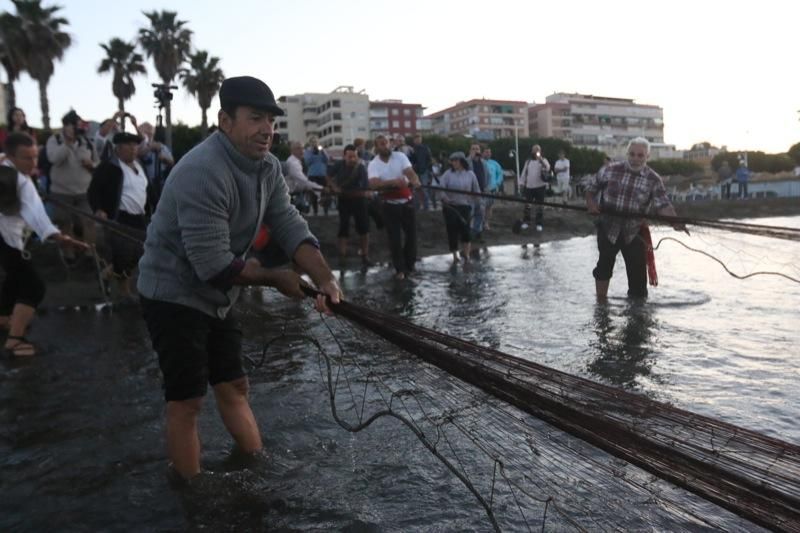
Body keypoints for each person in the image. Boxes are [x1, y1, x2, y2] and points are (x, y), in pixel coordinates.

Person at [137, 76, 341, 482]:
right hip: (173, 293)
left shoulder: (268, 167)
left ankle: (255, 466)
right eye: (255, 118)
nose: (267, 129)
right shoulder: (202, 170)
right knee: (187, 401)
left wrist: (326, 279)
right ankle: (191, 493)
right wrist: (278, 278)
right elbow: (213, 264)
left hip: (218, 295)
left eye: (271, 120)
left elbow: (289, 224)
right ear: (225, 121)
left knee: (234, 385)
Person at [0, 133, 88, 356]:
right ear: (11, 156)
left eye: (35, 157)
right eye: (26, 158)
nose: (32, 163)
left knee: (13, 280)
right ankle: (15, 341)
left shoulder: (7, 167)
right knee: (33, 287)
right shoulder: (21, 181)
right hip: (5, 241)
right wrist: (62, 238)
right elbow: (37, 216)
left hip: (8, 240)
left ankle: (4, 318)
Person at [584, 137, 685, 300]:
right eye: (632, 154)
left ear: (647, 157)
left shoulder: (653, 179)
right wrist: (591, 204)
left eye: (640, 155)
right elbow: (591, 188)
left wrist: (675, 222)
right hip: (608, 227)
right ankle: (601, 303)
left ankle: (638, 314)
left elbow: (663, 205)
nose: (635, 159)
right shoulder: (610, 169)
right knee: (604, 267)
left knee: (638, 275)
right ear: (627, 154)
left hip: (634, 231)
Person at [88, 132, 150, 299]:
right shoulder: (109, 167)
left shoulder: (139, 167)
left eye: (135, 145)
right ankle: (124, 292)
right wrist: (99, 209)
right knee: (124, 254)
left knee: (142, 252)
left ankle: (107, 273)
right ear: (118, 148)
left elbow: (146, 191)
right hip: (120, 216)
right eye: (128, 145)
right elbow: (93, 191)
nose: (133, 149)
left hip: (140, 217)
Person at [46, 110, 98, 260]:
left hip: (84, 191)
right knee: (65, 223)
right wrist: (67, 144)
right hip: (61, 192)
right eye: (72, 125)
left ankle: (90, 254)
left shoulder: (87, 141)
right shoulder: (55, 140)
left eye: (77, 125)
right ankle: (69, 255)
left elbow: (97, 162)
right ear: (65, 126)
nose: (75, 128)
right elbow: (54, 159)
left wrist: (92, 165)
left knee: (89, 221)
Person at [367, 134, 421, 280]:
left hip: (407, 202)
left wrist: (414, 180)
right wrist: (393, 183)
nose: (386, 146)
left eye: (387, 143)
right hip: (388, 205)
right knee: (394, 238)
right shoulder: (374, 164)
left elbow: (410, 172)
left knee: (411, 236)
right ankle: (399, 269)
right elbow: (374, 184)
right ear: (377, 147)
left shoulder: (400, 157)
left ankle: (410, 266)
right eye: (382, 144)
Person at [327, 144, 371, 266]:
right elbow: (328, 176)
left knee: (364, 228)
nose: (352, 159)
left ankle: (365, 256)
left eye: (354, 157)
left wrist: (366, 192)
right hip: (343, 200)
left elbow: (366, 185)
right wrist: (334, 187)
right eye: (350, 157)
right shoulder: (338, 165)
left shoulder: (361, 167)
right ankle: (342, 256)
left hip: (359, 200)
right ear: (344, 156)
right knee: (343, 228)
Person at [437, 152, 480, 265]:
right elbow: (441, 188)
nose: (454, 163)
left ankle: (466, 254)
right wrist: (445, 198)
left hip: (465, 206)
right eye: (453, 161)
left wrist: (478, 204)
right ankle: (455, 256)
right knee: (452, 231)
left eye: (456, 160)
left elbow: (476, 190)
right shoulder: (447, 174)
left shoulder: (470, 174)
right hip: (450, 207)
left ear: (462, 161)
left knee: (466, 231)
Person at [518, 144, 551, 232]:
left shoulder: (544, 160)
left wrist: (541, 161)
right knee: (527, 205)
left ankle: (539, 223)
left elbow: (547, 168)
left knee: (540, 206)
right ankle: (526, 221)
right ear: (532, 151)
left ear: (540, 151)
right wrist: (521, 184)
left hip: (540, 186)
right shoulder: (528, 162)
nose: (536, 152)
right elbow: (524, 173)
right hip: (529, 187)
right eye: (534, 150)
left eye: (537, 150)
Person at [284, 141, 323, 213]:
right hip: (291, 197)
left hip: (296, 196)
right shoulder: (293, 163)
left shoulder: (297, 161)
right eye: (298, 149)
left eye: (302, 148)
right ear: (292, 151)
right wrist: (321, 189)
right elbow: (303, 181)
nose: (302, 151)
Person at [466, 143, 489, 241]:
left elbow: (487, 175)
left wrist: (486, 186)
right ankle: (467, 233)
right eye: (473, 149)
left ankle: (477, 232)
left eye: (477, 149)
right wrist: (470, 157)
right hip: (470, 192)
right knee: (470, 213)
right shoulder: (467, 162)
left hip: (481, 191)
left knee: (480, 213)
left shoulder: (483, 163)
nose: (476, 151)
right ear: (470, 151)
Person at [303, 136, 329, 215]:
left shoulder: (321, 150)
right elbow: (307, 162)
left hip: (322, 174)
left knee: (325, 192)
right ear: (310, 143)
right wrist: (313, 152)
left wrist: (323, 151)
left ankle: (326, 210)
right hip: (312, 175)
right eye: (313, 142)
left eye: (316, 142)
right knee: (313, 194)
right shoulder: (307, 151)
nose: (314, 143)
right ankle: (315, 211)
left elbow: (327, 160)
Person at [482, 147, 504, 230]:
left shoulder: (495, 163)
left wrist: (497, 183)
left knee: (489, 207)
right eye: (486, 152)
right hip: (482, 190)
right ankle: (480, 222)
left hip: (492, 189)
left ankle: (486, 222)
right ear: (482, 153)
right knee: (481, 207)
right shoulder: (480, 162)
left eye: (489, 152)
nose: (488, 154)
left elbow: (500, 174)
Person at [409, 134, 434, 210]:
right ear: (414, 140)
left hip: (424, 172)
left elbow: (429, 159)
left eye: (419, 139)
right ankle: (417, 207)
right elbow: (410, 160)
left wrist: (428, 169)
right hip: (415, 172)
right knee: (416, 190)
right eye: (416, 139)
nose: (418, 140)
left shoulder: (426, 148)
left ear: (421, 139)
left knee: (424, 189)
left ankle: (426, 207)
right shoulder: (412, 149)